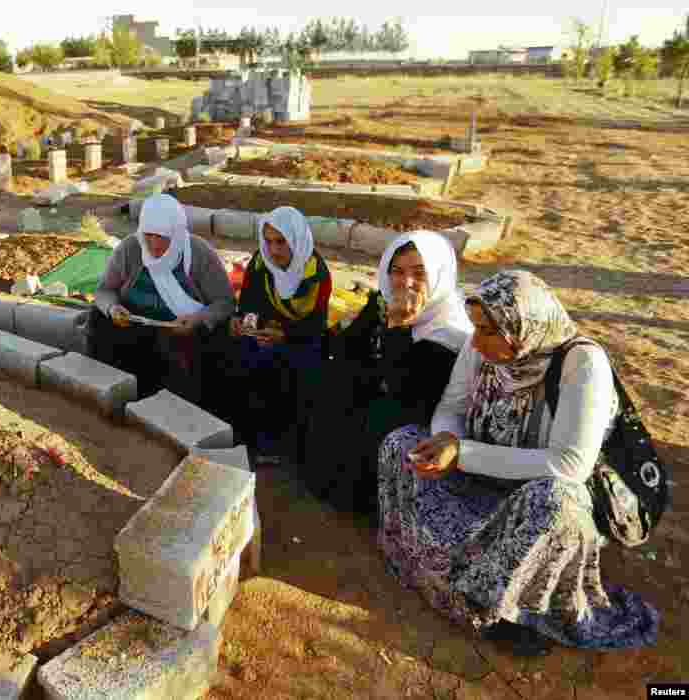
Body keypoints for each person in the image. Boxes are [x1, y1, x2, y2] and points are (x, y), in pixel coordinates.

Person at [377, 270, 659, 655]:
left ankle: (504, 610)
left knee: (556, 501)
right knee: (401, 444)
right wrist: (446, 439)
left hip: (536, 498)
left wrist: (463, 453)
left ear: (523, 325)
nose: (474, 342)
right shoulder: (480, 348)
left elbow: (570, 466)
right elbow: (452, 406)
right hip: (480, 474)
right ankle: (430, 567)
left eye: (488, 332)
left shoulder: (583, 365)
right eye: (475, 328)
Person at [304, 231, 473, 513]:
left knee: (373, 420)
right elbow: (346, 349)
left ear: (438, 275)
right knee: (326, 384)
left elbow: (405, 391)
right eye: (397, 272)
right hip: (381, 389)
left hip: (415, 413)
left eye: (420, 274)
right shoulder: (383, 302)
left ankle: (360, 500)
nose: (406, 283)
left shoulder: (449, 333)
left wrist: (397, 328)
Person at [206, 206, 332, 462]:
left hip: (300, 340)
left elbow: (315, 327)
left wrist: (283, 334)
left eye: (281, 242)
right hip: (263, 334)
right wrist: (242, 323)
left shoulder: (317, 274)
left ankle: (272, 446)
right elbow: (249, 305)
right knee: (229, 349)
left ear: (296, 240)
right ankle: (237, 434)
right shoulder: (260, 262)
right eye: (269, 242)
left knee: (284, 366)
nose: (274, 251)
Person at [91, 193, 235, 403]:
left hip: (182, 332)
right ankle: (117, 394)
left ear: (176, 234)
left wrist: (197, 319)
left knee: (189, 347)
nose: (154, 244)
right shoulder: (131, 249)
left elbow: (225, 302)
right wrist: (113, 309)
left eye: (162, 237)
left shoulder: (198, 253)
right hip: (135, 328)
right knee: (97, 318)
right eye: (149, 235)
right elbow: (104, 291)